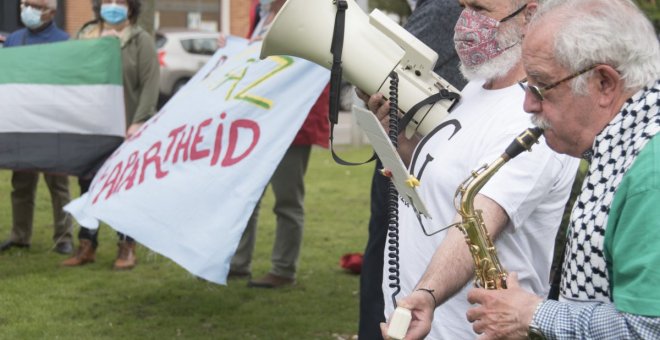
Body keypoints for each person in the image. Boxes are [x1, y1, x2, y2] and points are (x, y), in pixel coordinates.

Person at [361, 0, 582, 338]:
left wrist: (426, 295)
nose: (465, 22)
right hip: (417, 323)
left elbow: (477, 221)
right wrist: (400, 142)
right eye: (464, 7)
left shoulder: (535, 118)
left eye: (479, 10)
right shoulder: (477, 87)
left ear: (530, 16)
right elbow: (437, 183)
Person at [465, 0, 660, 338]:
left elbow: (647, 329)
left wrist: (531, 314)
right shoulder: (629, 143)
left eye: (541, 85)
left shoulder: (650, 176)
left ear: (604, 84)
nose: (528, 104)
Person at [358, 0, 467, 338]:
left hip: (423, 151)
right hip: (410, 147)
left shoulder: (442, 7)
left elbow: (387, 68)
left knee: (390, 248)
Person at [228, 0, 331, 288]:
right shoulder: (258, 12)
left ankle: (283, 270)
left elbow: (314, 59)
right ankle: (238, 263)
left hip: (292, 122)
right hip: (258, 120)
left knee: (287, 199)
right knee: (247, 196)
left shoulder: (305, 11)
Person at [61, 0, 159, 270]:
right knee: (87, 185)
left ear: (131, 7)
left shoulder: (141, 41)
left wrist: (139, 121)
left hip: (125, 127)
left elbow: (150, 85)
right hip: (91, 126)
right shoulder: (85, 35)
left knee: (123, 188)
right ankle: (87, 244)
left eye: (119, 2)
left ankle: (126, 246)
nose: (112, 6)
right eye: (107, 1)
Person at [0, 0, 74, 255]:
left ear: (51, 12)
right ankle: (20, 236)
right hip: (21, 125)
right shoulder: (14, 40)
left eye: (34, 5)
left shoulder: (64, 42)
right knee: (21, 183)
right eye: (24, 4)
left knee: (59, 186)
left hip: (53, 126)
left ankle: (64, 237)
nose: (27, 10)